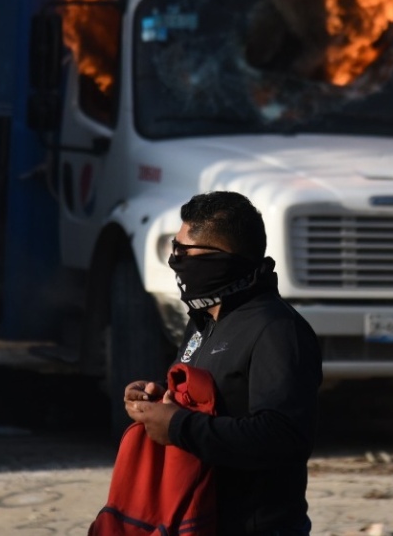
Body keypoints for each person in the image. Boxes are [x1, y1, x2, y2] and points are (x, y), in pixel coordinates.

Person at [124, 191, 323, 535]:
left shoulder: (277, 330)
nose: (174, 260)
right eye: (174, 247)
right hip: (200, 520)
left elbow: (284, 437)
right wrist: (156, 400)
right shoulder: (203, 321)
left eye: (185, 252)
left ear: (223, 258)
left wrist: (177, 427)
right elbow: (204, 400)